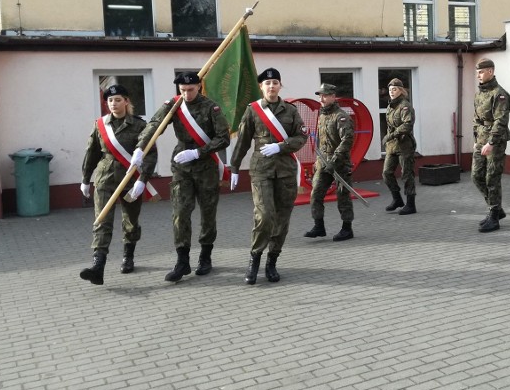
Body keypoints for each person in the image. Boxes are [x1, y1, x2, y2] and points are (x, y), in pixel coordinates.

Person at [132, 72, 230, 282]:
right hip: (182, 165)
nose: (186, 94)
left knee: (207, 213)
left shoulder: (211, 107)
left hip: (206, 165)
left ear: (199, 87)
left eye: (190, 90)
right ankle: (182, 261)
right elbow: (155, 124)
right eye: (182, 90)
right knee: (180, 212)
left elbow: (224, 138)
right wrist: (140, 147)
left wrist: (199, 152)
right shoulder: (174, 105)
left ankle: (205, 257)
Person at [231, 67, 308, 284]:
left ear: (280, 86)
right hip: (261, 171)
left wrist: (281, 146)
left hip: (285, 171)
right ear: (261, 87)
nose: (271, 86)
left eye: (275, 82)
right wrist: (234, 167)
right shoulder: (253, 110)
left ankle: (272, 261)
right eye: (267, 83)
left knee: (282, 219)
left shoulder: (291, 111)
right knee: (264, 216)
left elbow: (301, 138)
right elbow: (243, 141)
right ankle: (255, 258)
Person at [79, 83, 157, 285]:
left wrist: (143, 179)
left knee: (130, 220)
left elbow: (150, 154)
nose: (113, 104)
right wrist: (85, 179)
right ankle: (98, 265)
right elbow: (92, 152)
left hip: (130, 179)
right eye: (110, 100)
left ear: (126, 101)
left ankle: (128, 256)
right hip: (105, 178)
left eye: (118, 100)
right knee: (102, 221)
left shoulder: (140, 125)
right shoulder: (100, 125)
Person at [304, 83, 356, 241]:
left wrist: (334, 160)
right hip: (323, 162)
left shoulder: (341, 116)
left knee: (343, 196)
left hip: (339, 163)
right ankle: (319, 226)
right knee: (315, 194)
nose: (321, 98)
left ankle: (347, 229)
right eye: (320, 95)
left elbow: (347, 140)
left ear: (333, 97)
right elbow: (320, 141)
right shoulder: (322, 115)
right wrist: (317, 161)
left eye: (325, 95)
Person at [472, 58, 510, 233]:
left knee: (492, 179)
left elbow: (501, 121)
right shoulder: (480, 94)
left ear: (491, 71)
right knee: (476, 176)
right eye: (477, 73)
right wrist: (476, 140)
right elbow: (476, 119)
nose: (479, 76)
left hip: (495, 141)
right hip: (481, 140)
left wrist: (491, 142)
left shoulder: (500, 94)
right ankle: (496, 208)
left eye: (481, 72)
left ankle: (494, 216)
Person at [382, 78, 418, 215]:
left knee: (406, 174)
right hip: (392, 146)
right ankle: (397, 199)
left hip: (404, 145)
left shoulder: (405, 106)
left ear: (401, 91)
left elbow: (407, 124)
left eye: (395, 89)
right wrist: (389, 138)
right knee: (386, 173)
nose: (392, 92)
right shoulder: (390, 106)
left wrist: (391, 135)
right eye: (390, 90)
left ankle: (410, 204)